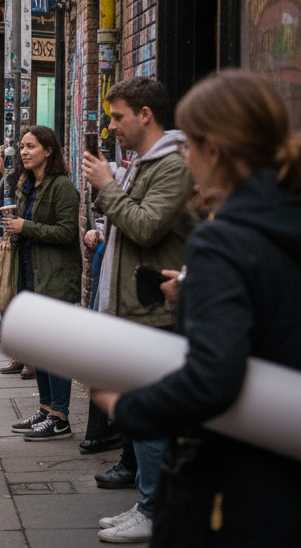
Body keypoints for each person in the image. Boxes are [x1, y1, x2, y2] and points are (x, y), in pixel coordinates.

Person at [92, 71, 301, 547]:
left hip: (244, 489)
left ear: (213, 149)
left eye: (191, 145)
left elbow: (213, 377)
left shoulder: (224, 241)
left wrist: (127, 407)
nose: (186, 156)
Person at [80, 77, 195, 542]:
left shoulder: (171, 165)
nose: (112, 127)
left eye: (118, 116)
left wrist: (107, 187)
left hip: (155, 309)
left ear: (145, 115)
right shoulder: (143, 163)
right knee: (143, 415)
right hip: (133, 305)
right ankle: (149, 501)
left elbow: (147, 226)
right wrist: (104, 233)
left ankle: (155, 509)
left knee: (150, 415)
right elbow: (132, 223)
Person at [4, 125, 82, 441]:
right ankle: (47, 408)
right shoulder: (27, 184)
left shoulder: (62, 186)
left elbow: (66, 232)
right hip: (29, 271)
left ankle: (60, 417)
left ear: (48, 151)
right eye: (22, 146)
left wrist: (26, 226)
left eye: (31, 146)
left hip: (55, 277)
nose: (24, 152)